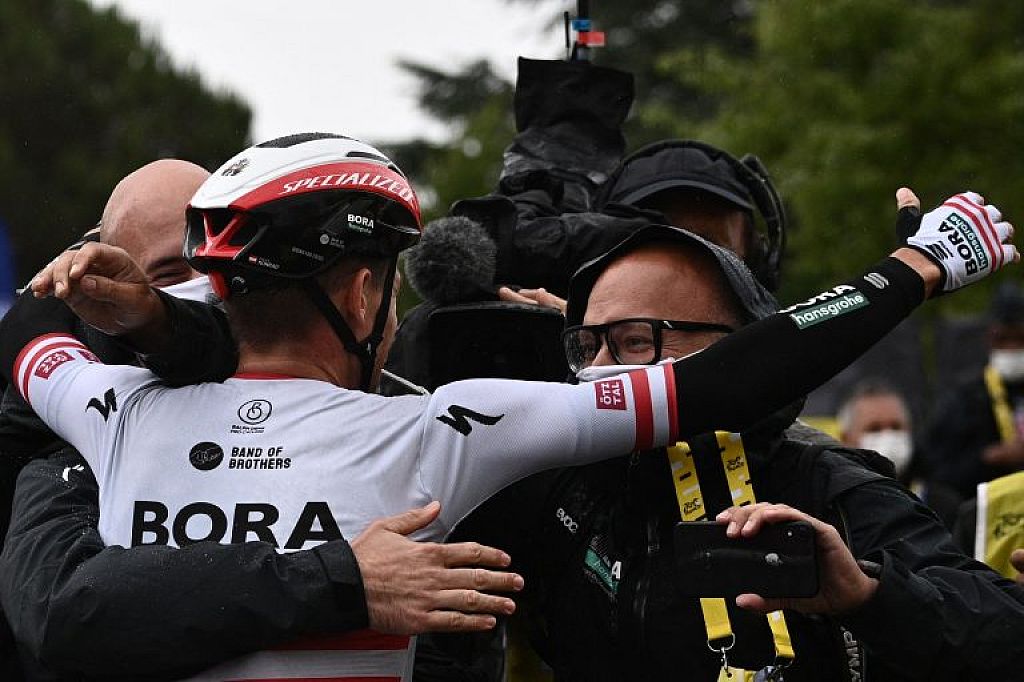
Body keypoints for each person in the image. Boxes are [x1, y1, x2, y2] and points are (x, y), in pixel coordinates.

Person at [4, 130, 1011, 679]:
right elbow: (728, 380)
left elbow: (28, 326)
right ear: (362, 293)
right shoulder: (441, 429)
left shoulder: (106, 404)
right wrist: (916, 269)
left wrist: (158, 326)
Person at [0, 159, 521, 681]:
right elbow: (67, 614)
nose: (208, 288)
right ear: (108, 287)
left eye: (222, 260)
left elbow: (448, 628)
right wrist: (342, 580)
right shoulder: (79, 429)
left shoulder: (381, 402)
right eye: (171, 275)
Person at [453, 212, 1024, 680]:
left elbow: (1003, 636)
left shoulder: (826, 485)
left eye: (634, 341)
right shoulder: (567, 488)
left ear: (744, 355)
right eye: (588, 346)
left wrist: (869, 594)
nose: (599, 371)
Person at [921, 282, 1024, 498]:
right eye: (1003, 339)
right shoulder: (964, 399)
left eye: (1020, 339)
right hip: (982, 504)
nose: (1012, 348)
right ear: (989, 338)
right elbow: (938, 471)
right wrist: (989, 458)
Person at [837, 379, 961, 529]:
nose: (888, 436)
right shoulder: (837, 507)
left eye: (896, 427)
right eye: (874, 429)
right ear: (846, 439)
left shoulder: (944, 505)